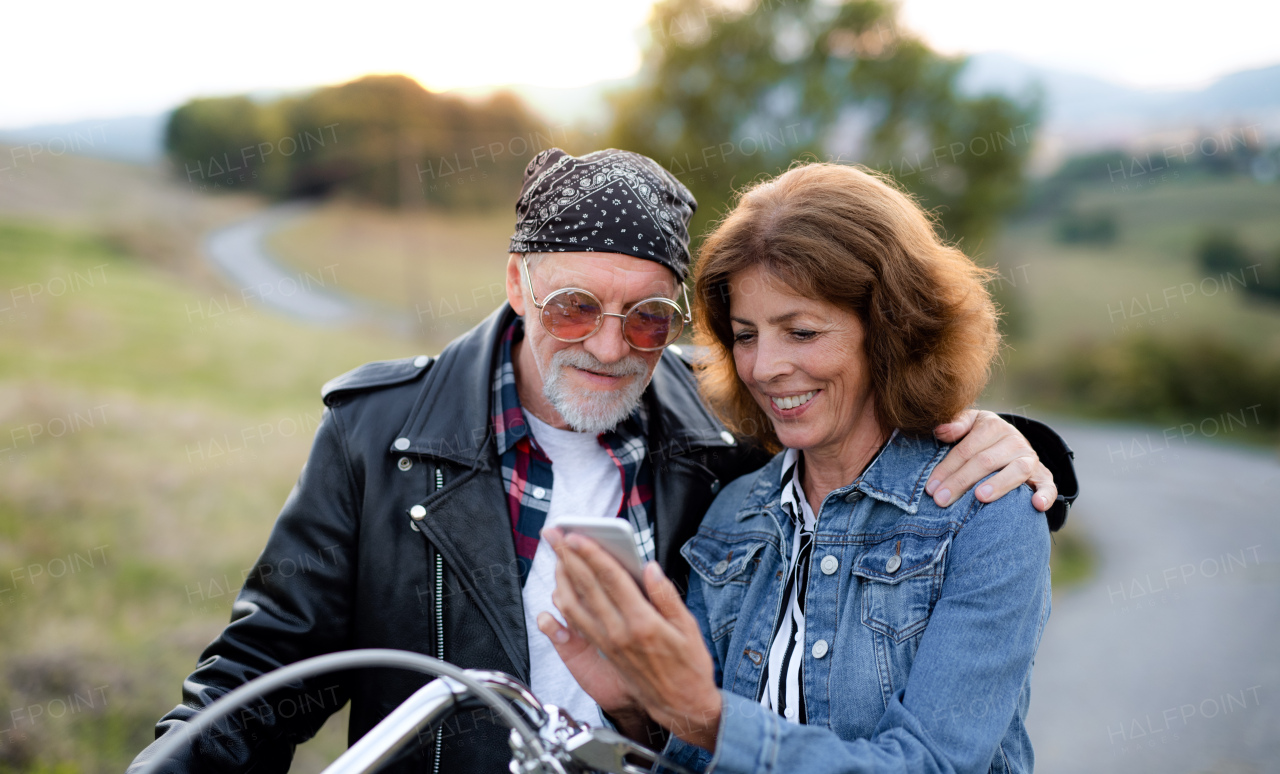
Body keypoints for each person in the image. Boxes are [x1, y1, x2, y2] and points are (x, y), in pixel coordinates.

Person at [129, 150, 1073, 774]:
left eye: (649, 318)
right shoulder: (380, 435)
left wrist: (1033, 453)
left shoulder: (716, 435)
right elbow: (266, 670)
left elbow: (865, 426)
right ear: (517, 284)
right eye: (574, 305)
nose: (612, 345)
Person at [542, 162, 1063, 773]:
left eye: (803, 331)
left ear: (891, 330)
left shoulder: (986, 513)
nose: (764, 367)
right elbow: (693, 754)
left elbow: (930, 765)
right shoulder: (735, 512)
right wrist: (639, 711)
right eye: (745, 335)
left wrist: (708, 716)